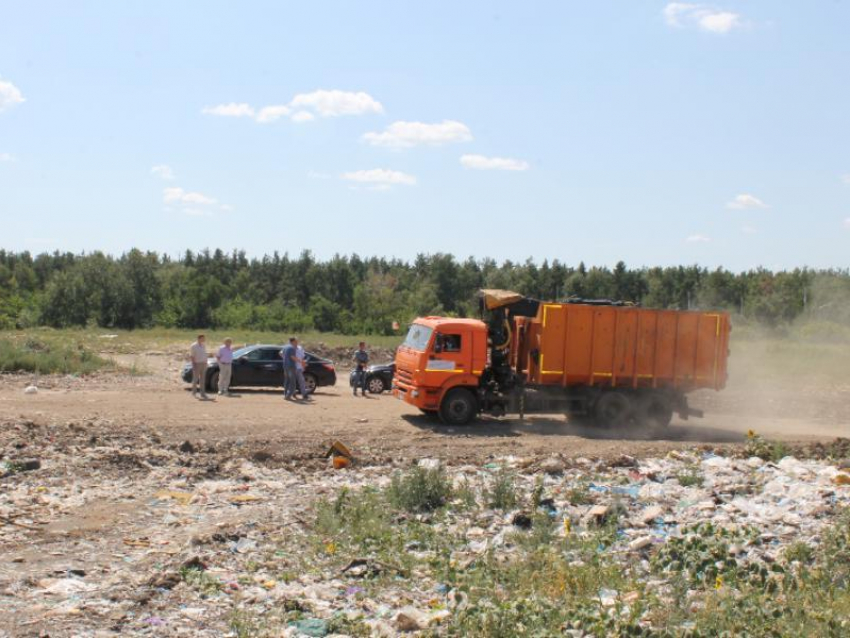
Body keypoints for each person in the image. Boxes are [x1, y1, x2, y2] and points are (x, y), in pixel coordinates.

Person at [189, 334, 210, 399]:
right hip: (197, 363)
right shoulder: (194, 346)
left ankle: (202, 393)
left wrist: (206, 362)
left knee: (202, 379)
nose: (204, 340)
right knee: (195, 379)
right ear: (199, 338)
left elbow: (205, 354)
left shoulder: (203, 345)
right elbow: (192, 355)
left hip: (203, 363)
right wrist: (193, 364)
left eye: (204, 338)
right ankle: (194, 392)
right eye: (203, 338)